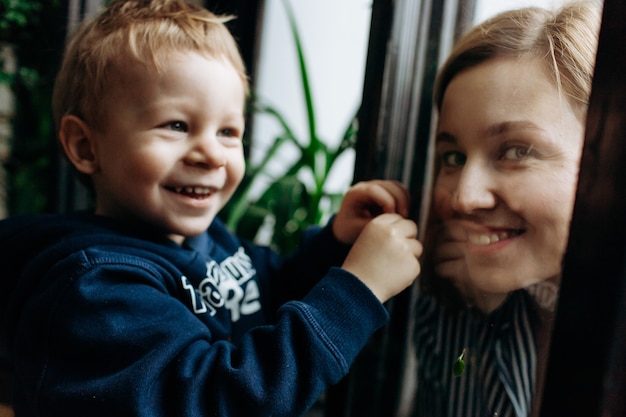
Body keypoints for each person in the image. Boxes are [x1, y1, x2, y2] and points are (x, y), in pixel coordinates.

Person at [0, 1, 423, 416]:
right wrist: (358, 291)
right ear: (85, 146)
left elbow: (270, 295)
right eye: (177, 126)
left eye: (228, 131)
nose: (212, 155)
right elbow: (220, 397)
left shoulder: (205, 240)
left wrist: (337, 245)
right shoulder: (99, 289)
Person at [412, 2, 600, 417]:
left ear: (603, 157)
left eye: (517, 150)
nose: (464, 197)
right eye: (454, 158)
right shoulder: (449, 305)